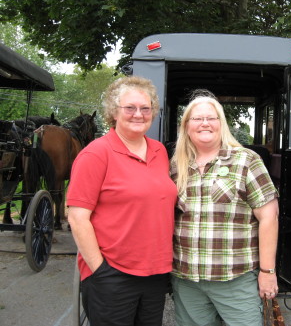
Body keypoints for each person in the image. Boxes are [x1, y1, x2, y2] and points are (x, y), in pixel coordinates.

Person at [67, 76, 178, 326]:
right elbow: (77, 217)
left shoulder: (159, 151)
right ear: (114, 112)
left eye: (145, 108)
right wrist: (100, 271)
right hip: (113, 273)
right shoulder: (96, 154)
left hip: (155, 272)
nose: (138, 114)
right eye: (130, 108)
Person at [170, 89, 279, 326]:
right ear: (186, 126)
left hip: (235, 280)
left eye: (211, 118)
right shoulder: (175, 166)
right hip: (187, 280)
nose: (204, 124)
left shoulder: (246, 160)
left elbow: (269, 217)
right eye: (197, 119)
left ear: (222, 124)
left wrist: (267, 272)